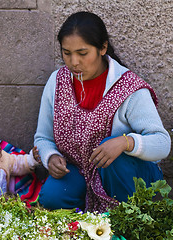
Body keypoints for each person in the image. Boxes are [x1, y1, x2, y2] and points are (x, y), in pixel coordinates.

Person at [34, 11, 171, 213]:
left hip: (125, 176)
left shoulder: (129, 88)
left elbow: (162, 143)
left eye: (82, 53)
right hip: (79, 171)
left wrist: (126, 142)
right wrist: (50, 157)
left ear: (102, 48)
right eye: (66, 53)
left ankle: (126, 219)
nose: (74, 62)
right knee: (52, 198)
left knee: (111, 150)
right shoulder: (57, 81)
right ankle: (89, 226)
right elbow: (43, 138)